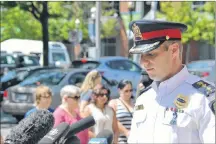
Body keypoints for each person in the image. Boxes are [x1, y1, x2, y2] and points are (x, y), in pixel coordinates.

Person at [127, 20, 215, 143]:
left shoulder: (204, 98)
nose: (143, 62)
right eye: (140, 56)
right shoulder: (144, 98)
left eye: (150, 54)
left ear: (174, 50)